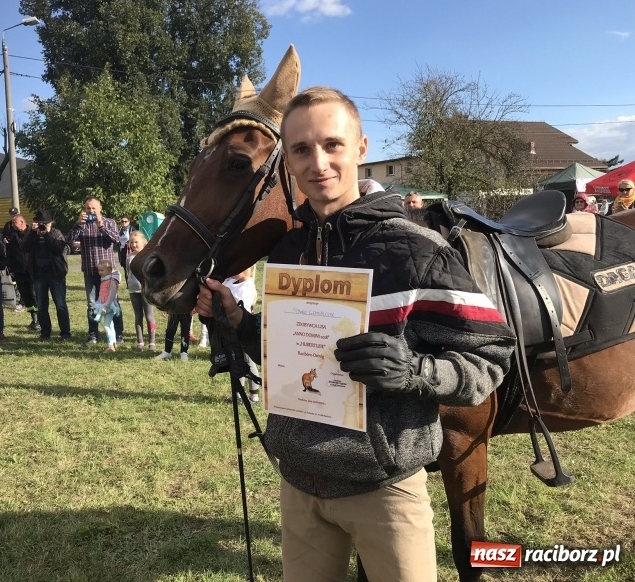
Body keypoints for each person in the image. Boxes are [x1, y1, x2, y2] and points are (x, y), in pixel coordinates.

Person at [195, 86, 515, 581]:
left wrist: (415, 372)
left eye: (332, 145)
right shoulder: (288, 250)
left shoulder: (416, 250)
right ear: (288, 160)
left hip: (384, 491)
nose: (317, 162)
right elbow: (291, 350)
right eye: (301, 149)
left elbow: (490, 358)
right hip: (299, 486)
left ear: (361, 149)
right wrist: (240, 323)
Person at [66, 197, 124, 345]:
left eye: (93, 208)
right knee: (92, 304)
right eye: (88, 208)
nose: (91, 211)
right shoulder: (82, 224)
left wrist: (101, 226)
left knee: (113, 303)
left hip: (108, 273)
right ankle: (93, 336)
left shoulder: (109, 222)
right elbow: (68, 240)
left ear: (100, 208)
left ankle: (118, 335)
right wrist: (78, 224)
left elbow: (116, 239)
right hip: (90, 270)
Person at [24, 210, 71, 341]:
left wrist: (47, 235)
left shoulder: (56, 233)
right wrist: (33, 234)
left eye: (44, 223)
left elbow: (58, 248)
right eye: (39, 223)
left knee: (60, 304)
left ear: (50, 223)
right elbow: (25, 248)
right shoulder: (34, 234)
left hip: (55, 273)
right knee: (42, 305)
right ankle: (45, 333)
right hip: (39, 273)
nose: (42, 226)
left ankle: (65, 334)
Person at [223, 265, 260, 404]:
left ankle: (254, 395)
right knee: (236, 361)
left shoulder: (247, 286)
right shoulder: (231, 282)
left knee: (248, 362)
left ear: (248, 270)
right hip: (230, 328)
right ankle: (239, 393)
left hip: (242, 328)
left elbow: (242, 309)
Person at [6, 213, 39, 330]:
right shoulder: (13, 236)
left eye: (14, 223)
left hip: (33, 270)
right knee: (26, 296)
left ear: (21, 222)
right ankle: (33, 317)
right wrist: (10, 268)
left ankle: (40, 319)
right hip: (19, 271)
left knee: (34, 294)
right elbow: (9, 253)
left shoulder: (33, 232)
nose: (12, 225)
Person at [126, 231, 157, 351]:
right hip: (134, 290)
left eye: (136, 242)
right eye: (131, 242)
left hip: (146, 290)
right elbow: (128, 271)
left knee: (149, 316)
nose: (134, 245)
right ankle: (140, 342)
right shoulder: (129, 257)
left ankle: (152, 343)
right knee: (138, 316)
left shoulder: (148, 256)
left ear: (143, 243)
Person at [92, 259, 121, 352]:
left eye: (102, 270)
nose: (100, 272)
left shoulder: (112, 281)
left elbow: (112, 295)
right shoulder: (104, 280)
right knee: (110, 324)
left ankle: (110, 346)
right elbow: (102, 294)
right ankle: (113, 343)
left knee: (106, 326)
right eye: (99, 270)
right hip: (104, 304)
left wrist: (105, 306)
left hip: (109, 306)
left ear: (109, 270)